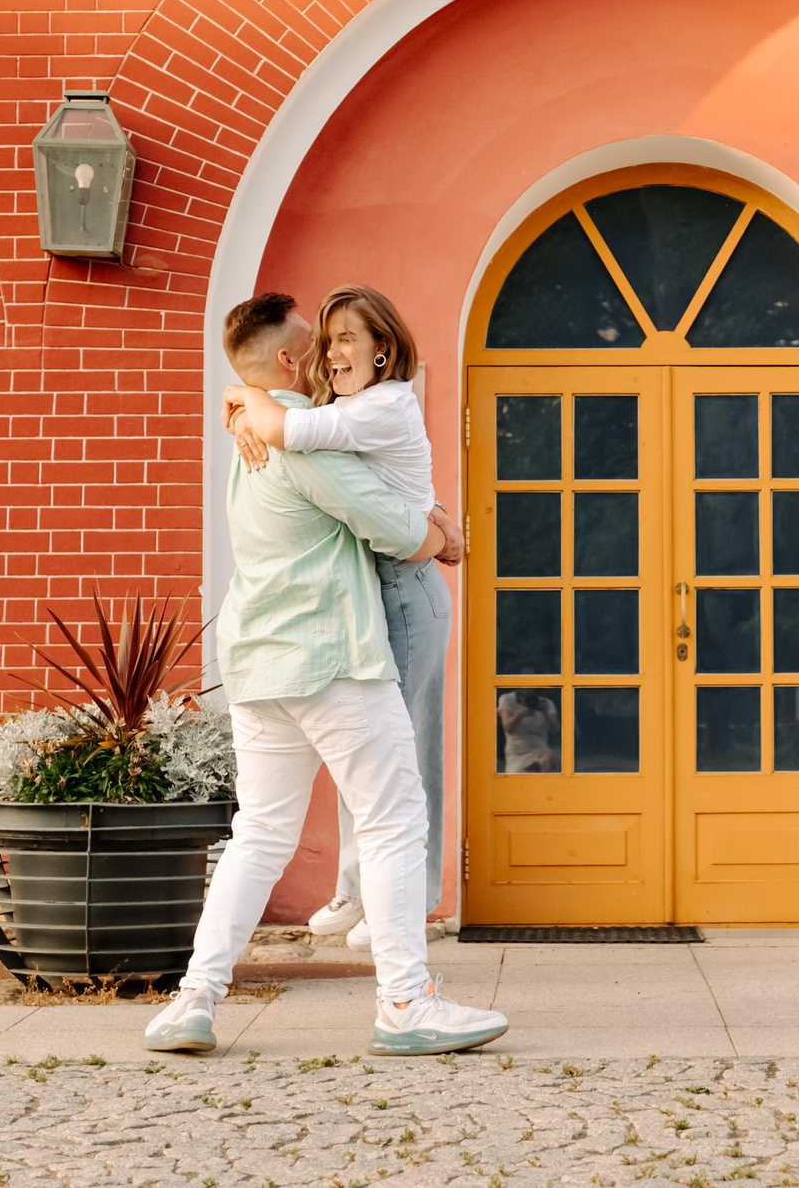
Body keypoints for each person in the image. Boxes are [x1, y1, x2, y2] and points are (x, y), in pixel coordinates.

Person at [143, 292, 507, 1057]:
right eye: (313, 345)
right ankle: (406, 1000)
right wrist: (440, 533)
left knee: (258, 836)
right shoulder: (304, 442)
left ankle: (193, 1001)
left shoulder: (245, 428)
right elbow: (400, 530)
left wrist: (241, 396)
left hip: (257, 659)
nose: (322, 357)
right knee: (394, 817)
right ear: (285, 361)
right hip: (330, 656)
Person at [219, 285, 455, 953]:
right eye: (327, 339)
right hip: (380, 581)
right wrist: (238, 401)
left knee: (399, 755)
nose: (334, 350)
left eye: (349, 337)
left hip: (407, 583)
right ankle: (361, 891)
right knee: (380, 755)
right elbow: (282, 418)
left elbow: (287, 430)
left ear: (384, 347)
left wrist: (242, 399)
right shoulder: (342, 406)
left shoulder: (381, 405)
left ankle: (397, 902)